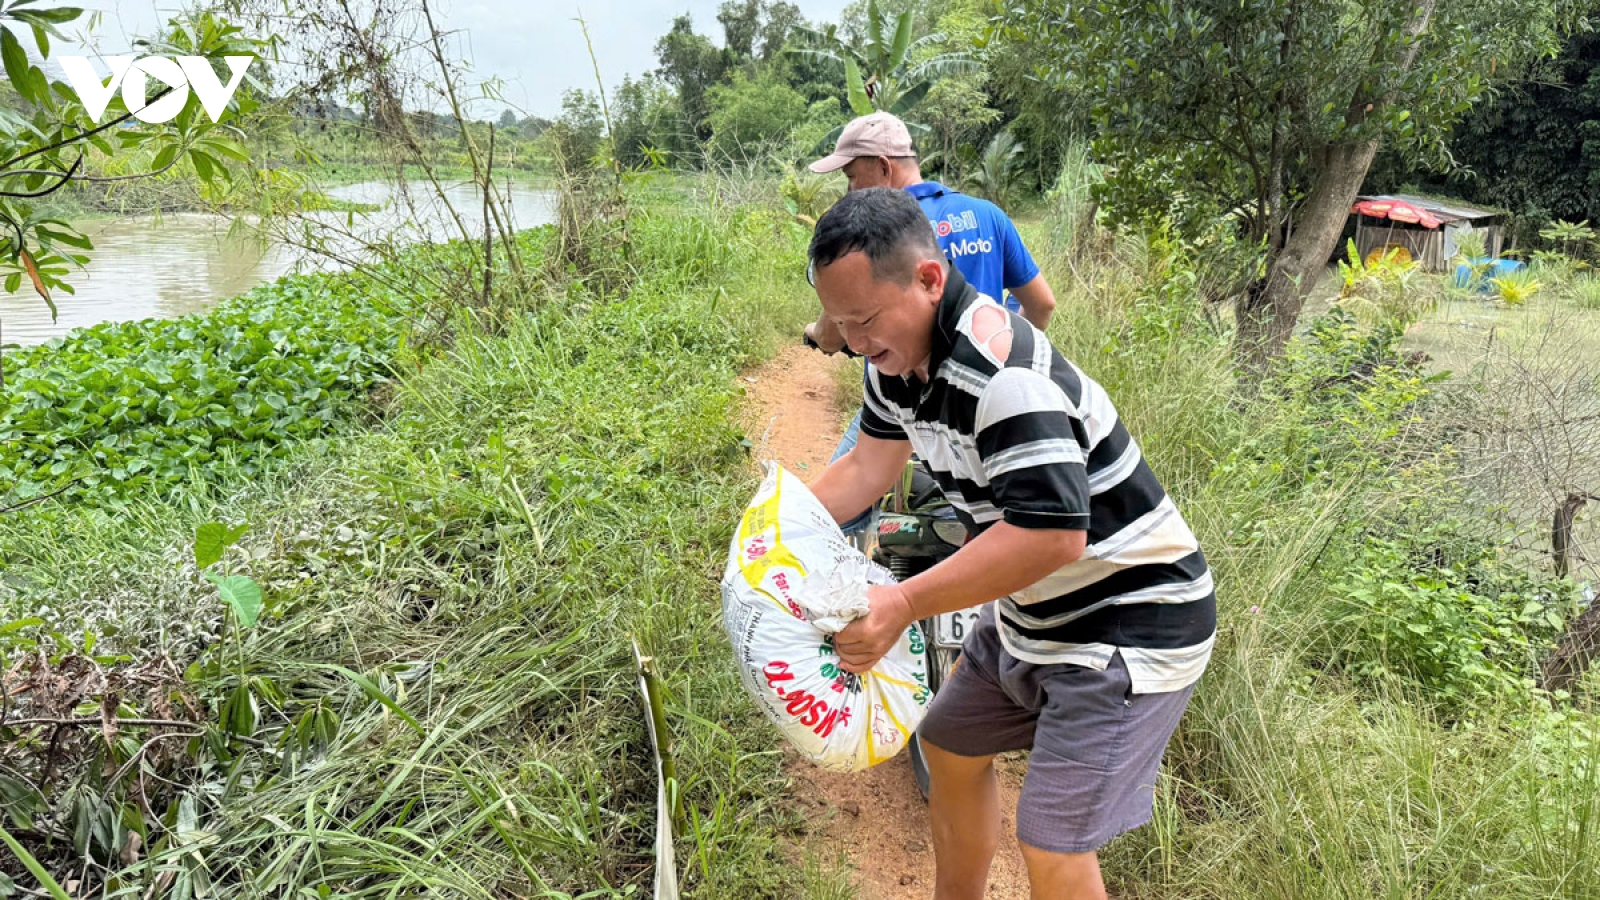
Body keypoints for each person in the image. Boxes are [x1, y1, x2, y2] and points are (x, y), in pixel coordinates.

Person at [804, 188, 1215, 900]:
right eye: (841, 326)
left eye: (865, 320)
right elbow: (866, 469)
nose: (857, 343)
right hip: (1033, 612)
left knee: (1052, 840)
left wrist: (901, 600)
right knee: (950, 747)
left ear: (930, 279)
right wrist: (771, 533)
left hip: (1129, 623)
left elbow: (1053, 536)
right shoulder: (895, 366)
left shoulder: (1006, 377)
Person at [803, 111, 1058, 535]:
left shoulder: (874, 237)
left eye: (852, 177)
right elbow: (1042, 305)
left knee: (842, 513)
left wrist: (821, 335)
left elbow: (834, 331)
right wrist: (1007, 350)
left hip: (908, 395)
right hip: (984, 404)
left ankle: (837, 587)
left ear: (883, 168)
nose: (848, 192)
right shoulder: (987, 214)